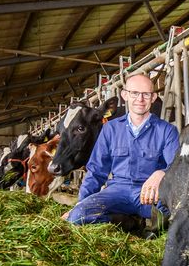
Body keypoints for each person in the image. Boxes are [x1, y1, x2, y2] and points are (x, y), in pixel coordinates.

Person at [65, 74, 179, 231]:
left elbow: (177, 166)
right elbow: (96, 171)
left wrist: (162, 173)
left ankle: (148, 228)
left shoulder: (167, 130)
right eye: (134, 93)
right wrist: (81, 203)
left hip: (149, 194)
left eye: (146, 94)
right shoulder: (110, 129)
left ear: (153, 97)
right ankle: (128, 222)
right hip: (117, 191)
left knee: (176, 213)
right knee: (78, 216)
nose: (140, 99)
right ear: (125, 95)